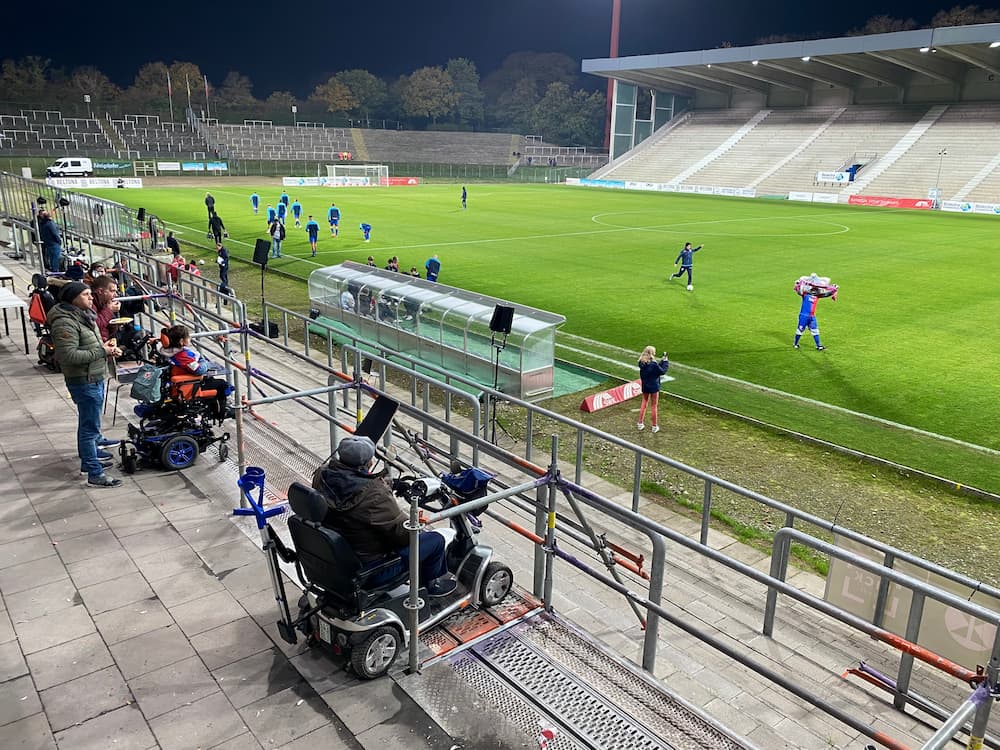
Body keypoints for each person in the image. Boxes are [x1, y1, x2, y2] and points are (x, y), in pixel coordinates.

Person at [312, 435, 457, 596]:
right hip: (372, 570)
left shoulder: (322, 476)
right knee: (434, 540)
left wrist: (391, 483)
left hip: (342, 557)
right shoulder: (375, 496)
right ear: (369, 463)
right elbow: (405, 534)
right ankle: (430, 588)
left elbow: (352, 483)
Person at [48, 282, 123, 487]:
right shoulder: (65, 322)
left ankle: (89, 459)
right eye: (86, 294)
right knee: (89, 428)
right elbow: (68, 355)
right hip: (84, 380)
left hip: (94, 376)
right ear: (73, 298)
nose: (91, 298)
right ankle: (93, 472)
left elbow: (90, 344)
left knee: (88, 424)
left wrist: (107, 347)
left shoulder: (83, 315)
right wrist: (102, 352)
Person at [166, 325, 231, 420]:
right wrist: (205, 362)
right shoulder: (182, 356)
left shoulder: (168, 351)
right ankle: (220, 414)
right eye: (188, 337)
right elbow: (199, 370)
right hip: (188, 385)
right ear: (181, 341)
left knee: (211, 379)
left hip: (183, 380)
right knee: (223, 385)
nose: (190, 338)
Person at [794, 274, 832, 351]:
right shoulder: (805, 294)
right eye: (813, 288)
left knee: (815, 330)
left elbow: (826, 294)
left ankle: (819, 346)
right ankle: (795, 343)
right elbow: (798, 291)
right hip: (803, 316)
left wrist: (833, 290)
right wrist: (797, 284)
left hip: (812, 317)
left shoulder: (817, 296)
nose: (814, 290)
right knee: (800, 330)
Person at [636, 346, 670, 433]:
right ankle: (654, 426)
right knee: (654, 406)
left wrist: (662, 361)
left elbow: (656, 368)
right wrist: (665, 362)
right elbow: (662, 371)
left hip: (645, 386)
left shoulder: (641, 362)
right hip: (654, 387)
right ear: (651, 353)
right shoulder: (653, 364)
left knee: (644, 403)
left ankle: (640, 423)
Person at [90, 275, 120, 342]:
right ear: (100, 291)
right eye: (112, 291)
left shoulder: (103, 302)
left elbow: (110, 329)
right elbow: (96, 326)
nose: (116, 295)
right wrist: (109, 310)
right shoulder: (89, 304)